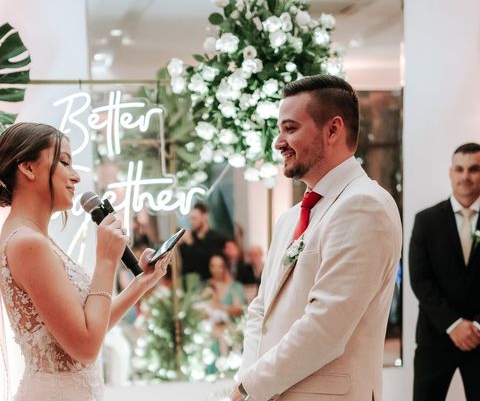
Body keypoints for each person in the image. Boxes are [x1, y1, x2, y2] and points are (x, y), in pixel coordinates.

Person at [0, 122, 171, 401]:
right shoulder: (27, 243)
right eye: (63, 161)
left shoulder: (35, 238)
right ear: (28, 168)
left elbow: (87, 328)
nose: (75, 176)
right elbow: (86, 348)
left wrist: (142, 282)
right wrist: (105, 260)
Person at [232, 75, 402, 401]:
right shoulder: (290, 217)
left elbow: (325, 329)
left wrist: (249, 386)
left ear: (333, 130)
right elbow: (260, 311)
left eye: (291, 128)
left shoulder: (364, 206)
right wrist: (249, 380)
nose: (279, 142)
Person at [409, 142, 480, 400]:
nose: (465, 176)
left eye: (474, 169)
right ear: (450, 172)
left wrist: (476, 326)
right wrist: (453, 324)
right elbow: (420, 279)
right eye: (459, 169)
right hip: (435, 337)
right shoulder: (426, 221)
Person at [179, 202, 226, 280]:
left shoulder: (217, 238)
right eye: (190, 219)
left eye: (194, 218)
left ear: (205, 216)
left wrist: (191, 243)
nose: (191, 222)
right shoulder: (189, 237)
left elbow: (208, 262)